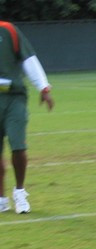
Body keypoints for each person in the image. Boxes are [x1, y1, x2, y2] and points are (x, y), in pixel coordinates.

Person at [0, 20, 54, 214]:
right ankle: (1, 199)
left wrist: (43, 88)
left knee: (18, 146)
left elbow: (29, 60)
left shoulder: (8, 30)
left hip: (13, 97)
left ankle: (20, 191)